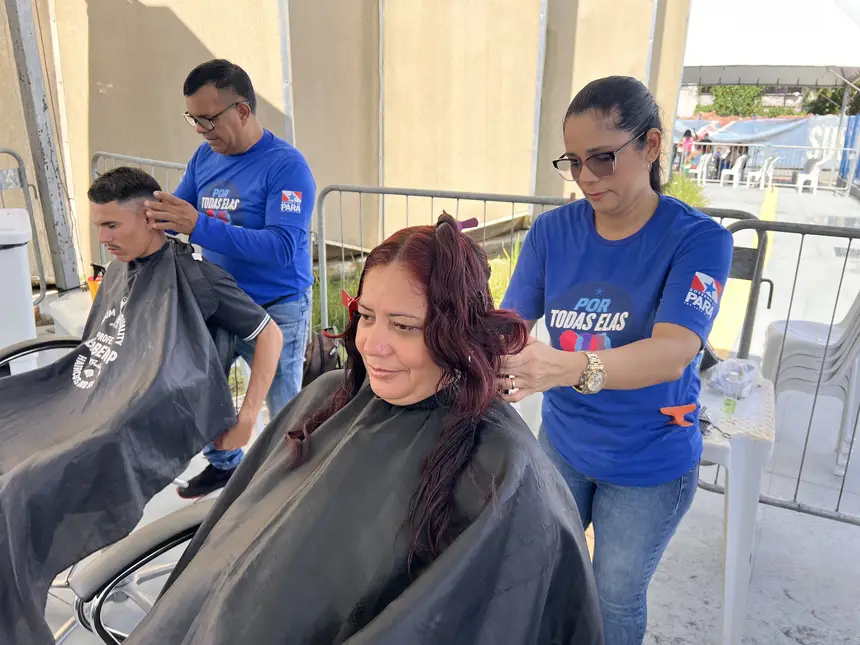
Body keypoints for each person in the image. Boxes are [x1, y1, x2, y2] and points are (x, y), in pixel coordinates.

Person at [120, 213, 604, 644]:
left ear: (457, 330)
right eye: (367, 317)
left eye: (405, 326)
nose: (373, 344)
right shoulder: (329, 397)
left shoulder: (501, 468)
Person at [500, 76, 734, 645]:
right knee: (540, 574)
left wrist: (567, 368)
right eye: (574, 162)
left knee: (614, 595)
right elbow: (510, 324)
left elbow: (674, 350)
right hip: (564, 443)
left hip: (650, 459)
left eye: (603, 158)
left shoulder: (698, 240)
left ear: (651, 145)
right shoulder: (553, 232)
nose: (586, 177)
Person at [143, 59, 316, 497]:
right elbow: (174, 215)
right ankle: (223, 465)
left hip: (277, 307)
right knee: (206, 388)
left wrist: (199, 226)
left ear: (242, 110)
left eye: (208, 119)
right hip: (220, 301)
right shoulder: (205, 158)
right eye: (193, 120)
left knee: (283, 406)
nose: (201, 131)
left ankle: (287, 486)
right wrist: (135, 225)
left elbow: (282, 247)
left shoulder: (287, 167)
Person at [91, 166, 283, 446]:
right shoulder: (117, 270)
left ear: (149, 217)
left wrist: (247, 419)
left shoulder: (199, 278)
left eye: (111, 226)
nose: (102, 239)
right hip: (127, 408)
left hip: (164, 421)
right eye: (98, 227)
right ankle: (224, 465)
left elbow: (270, 335)